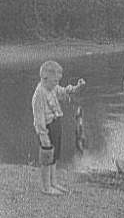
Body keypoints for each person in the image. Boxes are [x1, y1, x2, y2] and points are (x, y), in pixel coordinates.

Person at [32, 60, 86, 195]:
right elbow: (38, 120)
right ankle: (46, 186)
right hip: (46, 128)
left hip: (56, 123)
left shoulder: (53, 87)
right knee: (47, 157)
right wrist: (43, 136)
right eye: (54, 81)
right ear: (45, 78)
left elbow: (64, 91)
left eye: (57, 81)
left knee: (54, 156)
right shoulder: (39, 94)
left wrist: (77, 88)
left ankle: (53, 182)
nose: (57, 84)